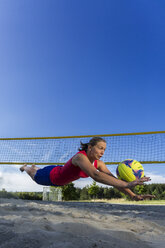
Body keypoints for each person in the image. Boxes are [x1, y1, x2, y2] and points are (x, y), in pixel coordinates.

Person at [20, 137, 154, 201]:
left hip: (59, 172)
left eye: (104, 150)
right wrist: (127, 183)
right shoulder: (80, 157)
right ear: (90, 147)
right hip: (50, 176)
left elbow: (112, 181)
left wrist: (133, 195)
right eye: (100, 148)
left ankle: (34, 167)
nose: (102, 152)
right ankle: (27, 167)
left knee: (37, 170)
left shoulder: (99, 163)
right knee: (33, 174)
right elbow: (96, 176)